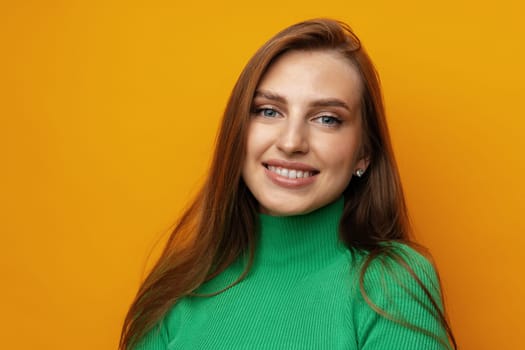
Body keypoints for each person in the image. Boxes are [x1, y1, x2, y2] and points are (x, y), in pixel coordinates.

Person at [119, 18, 456, 349]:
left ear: (363, 153)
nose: (292, 142)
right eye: (268, 111)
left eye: (327, 119)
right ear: (237, 130)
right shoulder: (177, 286)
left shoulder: (390, 283)